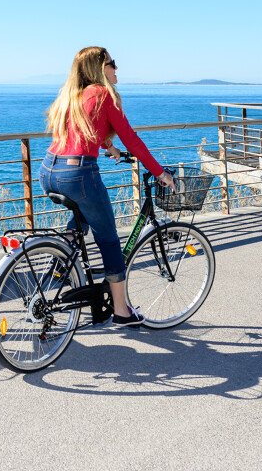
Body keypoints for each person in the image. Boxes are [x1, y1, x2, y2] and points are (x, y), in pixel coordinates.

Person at [42, 46, 176, 328]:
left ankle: (62, 261)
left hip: (50, 169)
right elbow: (132, 139)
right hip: (78, 173)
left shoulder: (73, 95)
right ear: (99, 68)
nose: (117, 68)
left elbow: (80, 130)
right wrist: (160, 172)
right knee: (109, 240)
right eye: (112, 63)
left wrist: (107, 146)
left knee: (81, 217)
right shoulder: (103, 94)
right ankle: (121, 311)